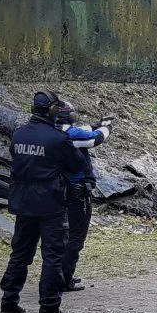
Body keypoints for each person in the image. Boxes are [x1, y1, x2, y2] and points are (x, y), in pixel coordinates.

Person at [0, 92, 88, 313]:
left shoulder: (19, 134)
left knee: (19, 254)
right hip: (51, 205)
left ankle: (9, 303)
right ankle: (49, 308)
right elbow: (77, 163)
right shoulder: (57, 138)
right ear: (52, 111)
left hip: (23, 203)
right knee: (52, 257)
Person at [54, 101, 112, 292]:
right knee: (76, 236)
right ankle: (64, 278)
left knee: (62, 235)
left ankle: (60, 275)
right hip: (76, 191)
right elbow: (94, 139)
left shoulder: (52, 132)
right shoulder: (71, 135)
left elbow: (84, 130)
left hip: (59, 189)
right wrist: (106, 128)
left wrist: (97, 124)